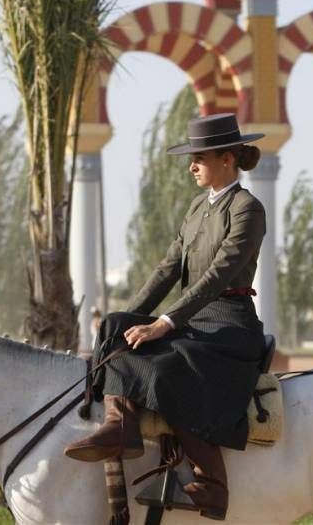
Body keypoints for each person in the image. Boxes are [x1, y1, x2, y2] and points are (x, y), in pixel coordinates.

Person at [64, 113, 267, 520]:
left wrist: (165, 322)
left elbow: (215, 277)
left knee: (168, 369)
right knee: (116, 326)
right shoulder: (197, 207)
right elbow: (167, 269)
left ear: (227, 159)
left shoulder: (247, 208)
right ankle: (122, 427)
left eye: (199, 158)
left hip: (229, 325)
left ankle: (211, 484)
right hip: (193, 320)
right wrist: (122, 322)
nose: (191, 165)